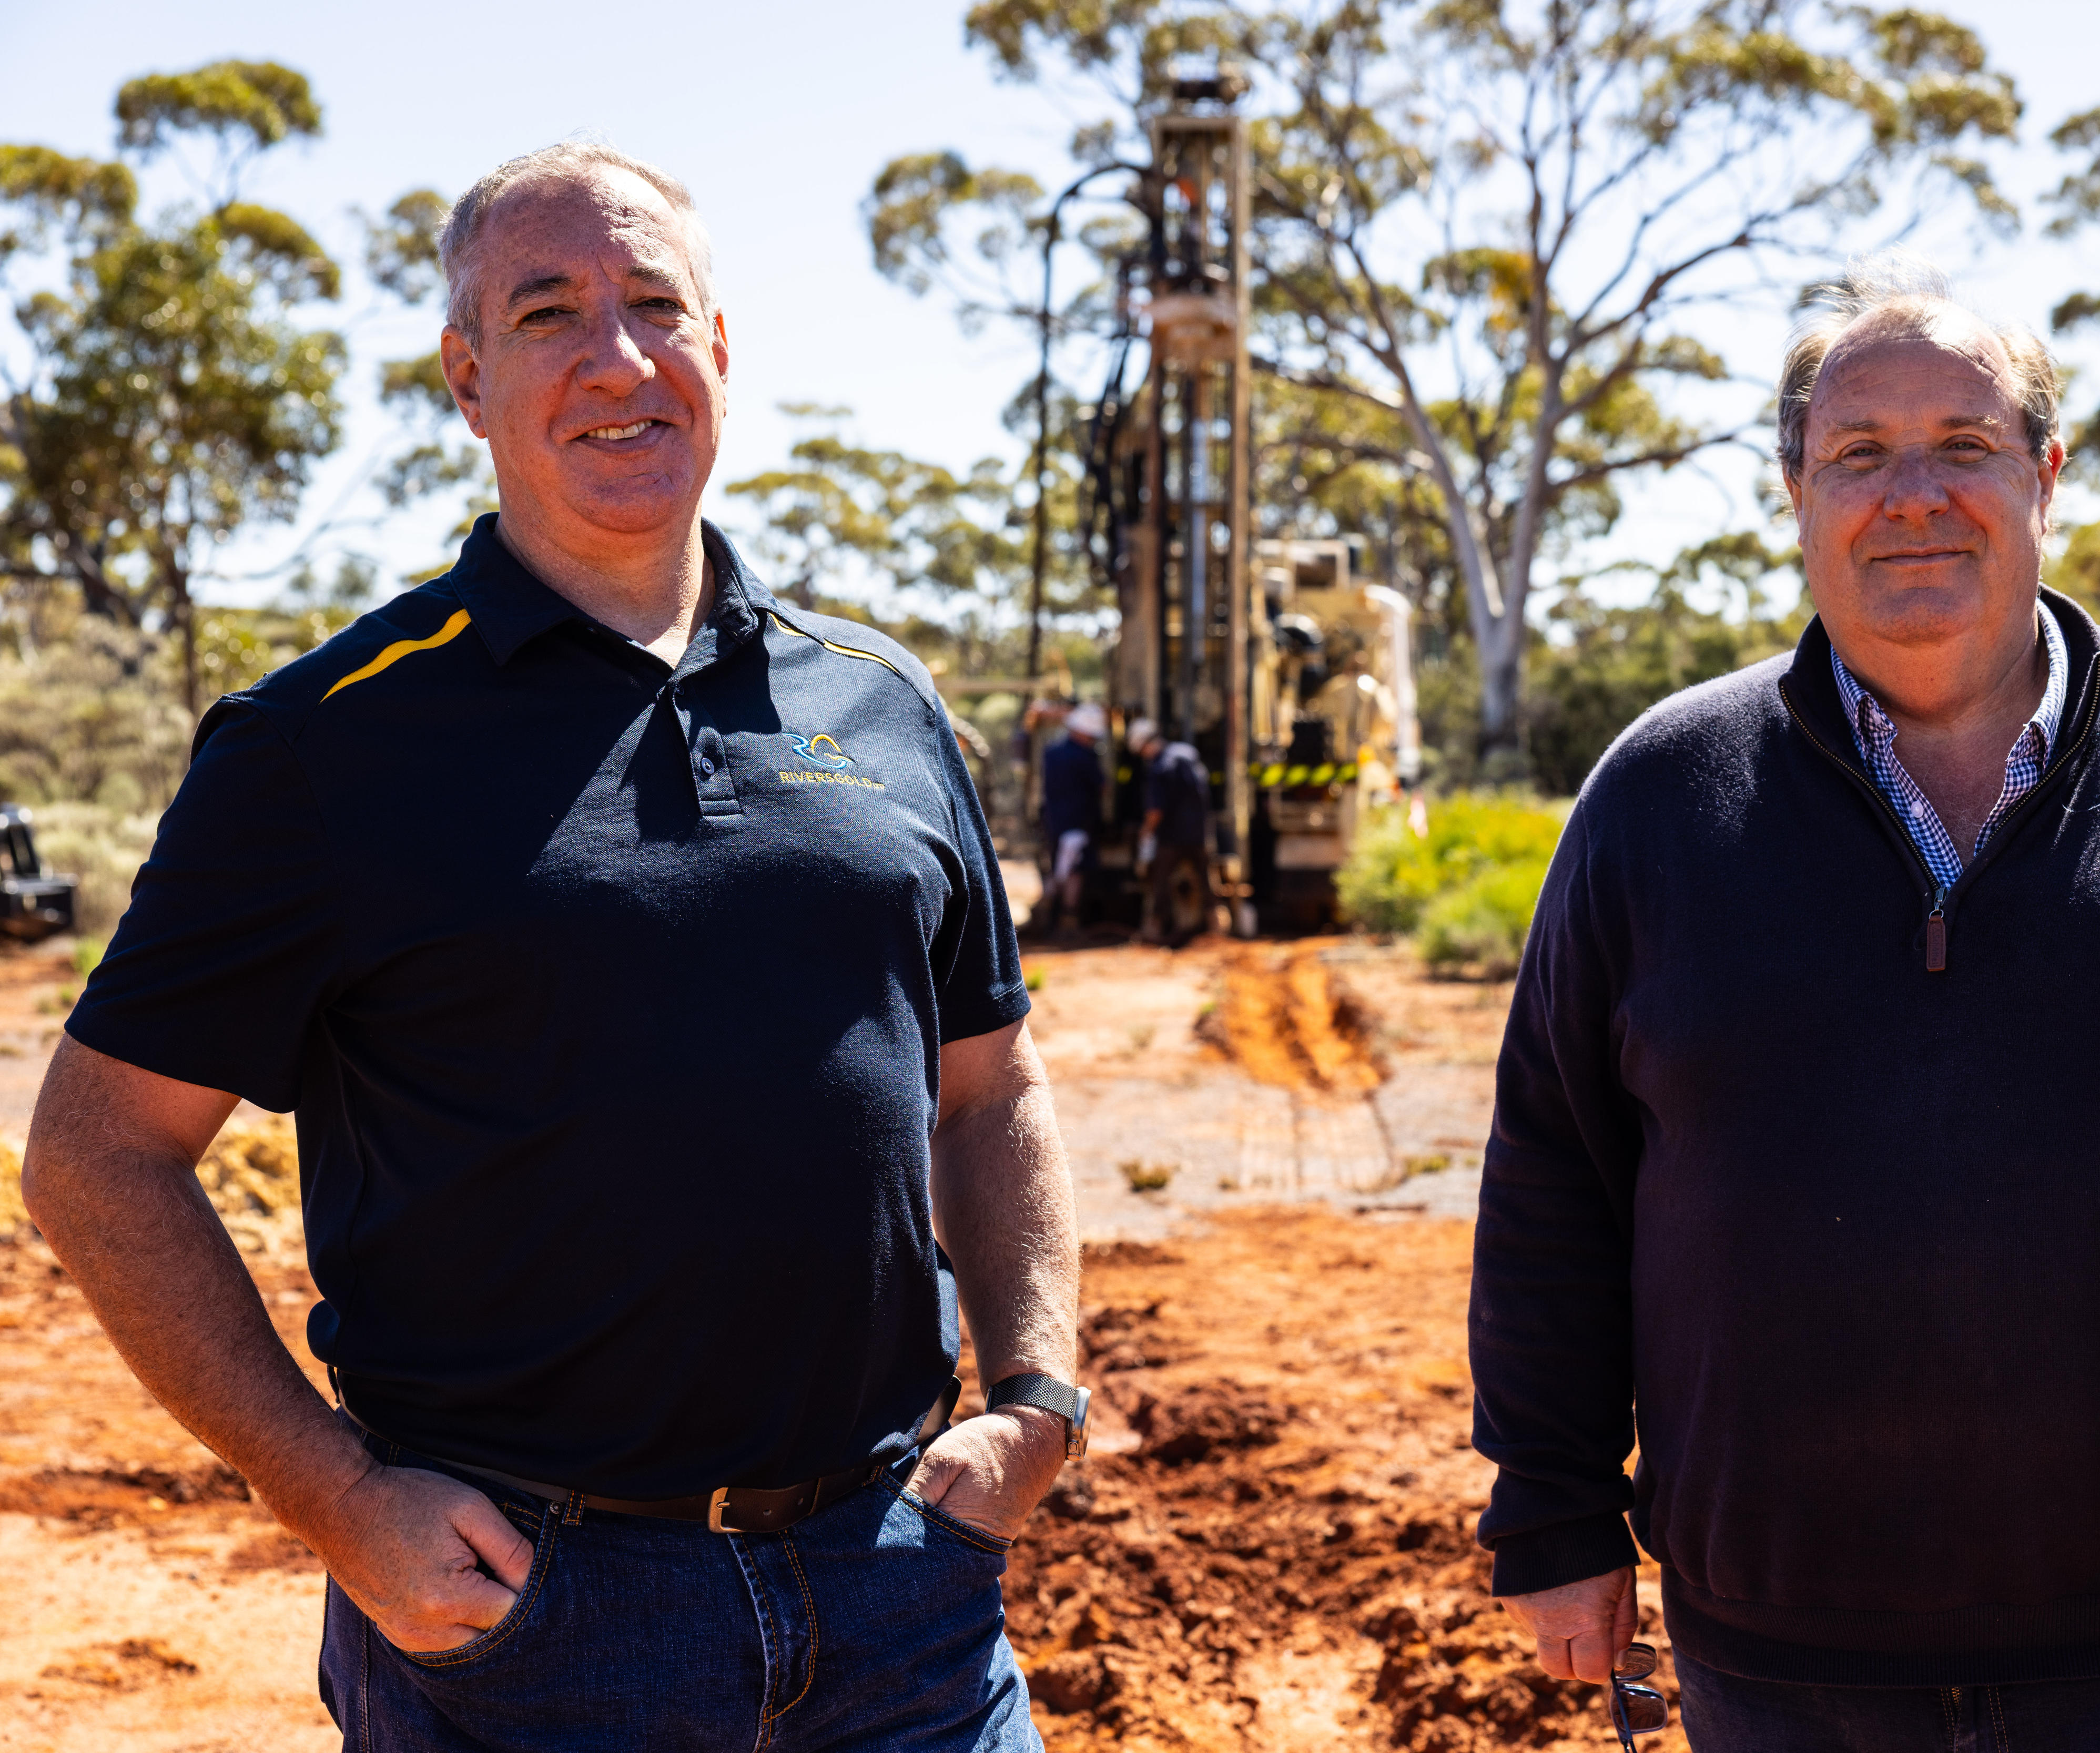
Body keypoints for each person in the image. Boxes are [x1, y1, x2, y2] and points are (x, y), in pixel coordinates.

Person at [22, 142, 1088, 1753]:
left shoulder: (881, 703)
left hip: (901, 1596)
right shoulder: (325, 746)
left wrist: (1035, 1399)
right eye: (548, 314)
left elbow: (991, 1086)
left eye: (657, 305)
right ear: (466, 376)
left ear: (721, 353)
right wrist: (339, 1494)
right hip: (530, 1621)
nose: (618, 358)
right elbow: (98, 1153)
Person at [1468, 256, 2100, 1753]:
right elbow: (1556, 1176)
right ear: (1797, 491)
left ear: (2046, 475)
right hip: (1785, 1665)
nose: (1914, 494)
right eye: (1860, 454)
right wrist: (1554, 1505)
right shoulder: (1661, 799)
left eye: (1965, 446)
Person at [1128, 718, 1212, 947]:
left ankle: (1155, 928)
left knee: (1161, 882)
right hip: (1198, 833)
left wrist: (1147, 832)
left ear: (1145, 744)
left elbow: (1156, 811)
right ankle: (1216, 927)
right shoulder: (1187, 755)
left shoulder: (1159, 767)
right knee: (1205, 881)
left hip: (1172, 837)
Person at [1041, 702, 1107, 935]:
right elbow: (1102, 787)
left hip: (1055, 820)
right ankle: (1067, 918)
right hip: (1079, 822)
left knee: (1059, 866)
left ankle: (1047, 914)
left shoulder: (1051, 753)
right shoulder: (1085, 757)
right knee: (1073, 870)